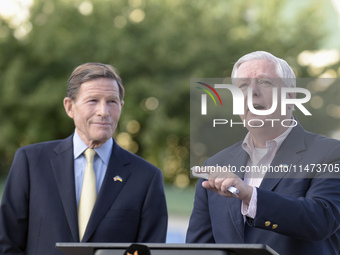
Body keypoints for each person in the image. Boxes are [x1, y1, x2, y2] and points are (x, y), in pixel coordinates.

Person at [0, 63, 168, 255]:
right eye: (93, 100)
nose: (103, 111)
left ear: (121, 107)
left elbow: (149, 252)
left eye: (112, 102)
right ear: (70, 107)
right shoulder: (31, 163)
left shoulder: (146, 177)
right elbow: (6, 243)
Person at [186, 51, 340, 254]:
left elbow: (321, 220)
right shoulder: (216, 164)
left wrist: (250, 195)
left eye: (265, 82)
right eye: (243, 85)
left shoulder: (330, 153)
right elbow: (198, 249)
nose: (252, 92)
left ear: (291, 95)